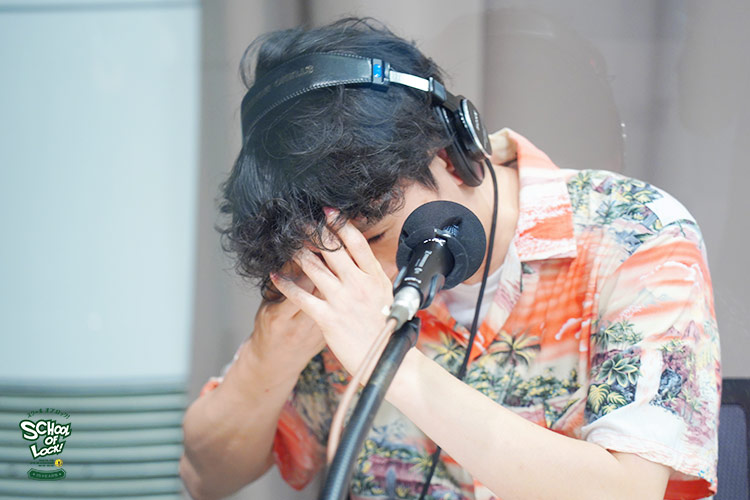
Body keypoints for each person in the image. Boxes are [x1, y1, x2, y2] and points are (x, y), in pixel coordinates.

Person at [180, 17, 721, 500]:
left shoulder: (634, 232)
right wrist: (268, 356)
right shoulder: (334, 274)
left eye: (377, 236)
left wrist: (384, 356)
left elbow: (628, 491)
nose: (371, 277)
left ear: (447, 151)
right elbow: (206, 478)